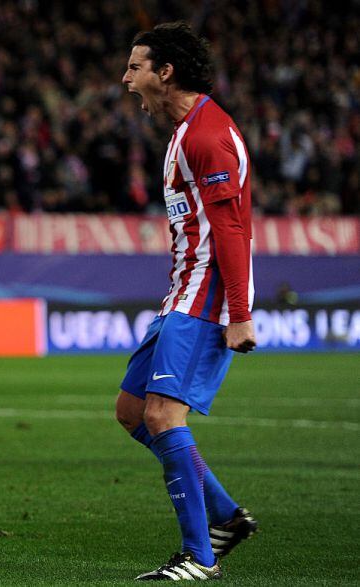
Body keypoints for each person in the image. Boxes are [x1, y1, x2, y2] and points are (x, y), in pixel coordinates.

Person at [117, 22, 258, 581]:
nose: (127, 80)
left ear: (165, 72)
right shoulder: (185, 131)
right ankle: (224, 515)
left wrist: (241, 315)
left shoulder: (205, 136)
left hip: (206, 296)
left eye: (135, 68)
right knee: (132, 412)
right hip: (181, 292)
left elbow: (230, 226)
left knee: (162, 414)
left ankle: (199, 557)